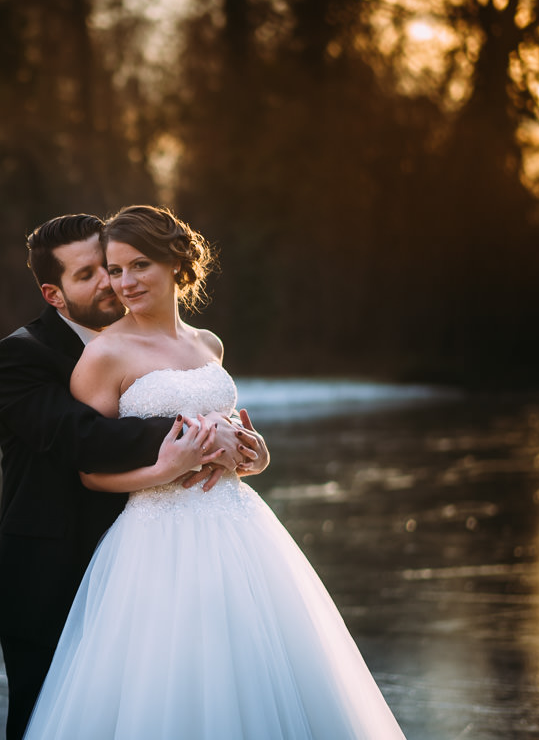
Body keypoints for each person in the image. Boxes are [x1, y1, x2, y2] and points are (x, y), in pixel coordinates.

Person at [22, 205, 405, 739]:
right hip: (156, 541)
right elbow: (88, 472)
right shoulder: (105, 355)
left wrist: (256, 454)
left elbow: (228, 440)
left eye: (139, 266)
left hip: (241, 529)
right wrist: (162, 468)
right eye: (114, 269)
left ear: (175, 265)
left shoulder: (208, 344)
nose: (124, 282)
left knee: (259, 670)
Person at [0, 214, 269, 740]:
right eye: (88, 274)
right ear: (54, 293)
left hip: (166, 555)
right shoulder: (20, 355)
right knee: (52, 719)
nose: (112, 282)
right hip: (54, 568)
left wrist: (240, 442)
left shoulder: (169, 337)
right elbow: (80, 437)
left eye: (112, 267)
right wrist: (204, 434)